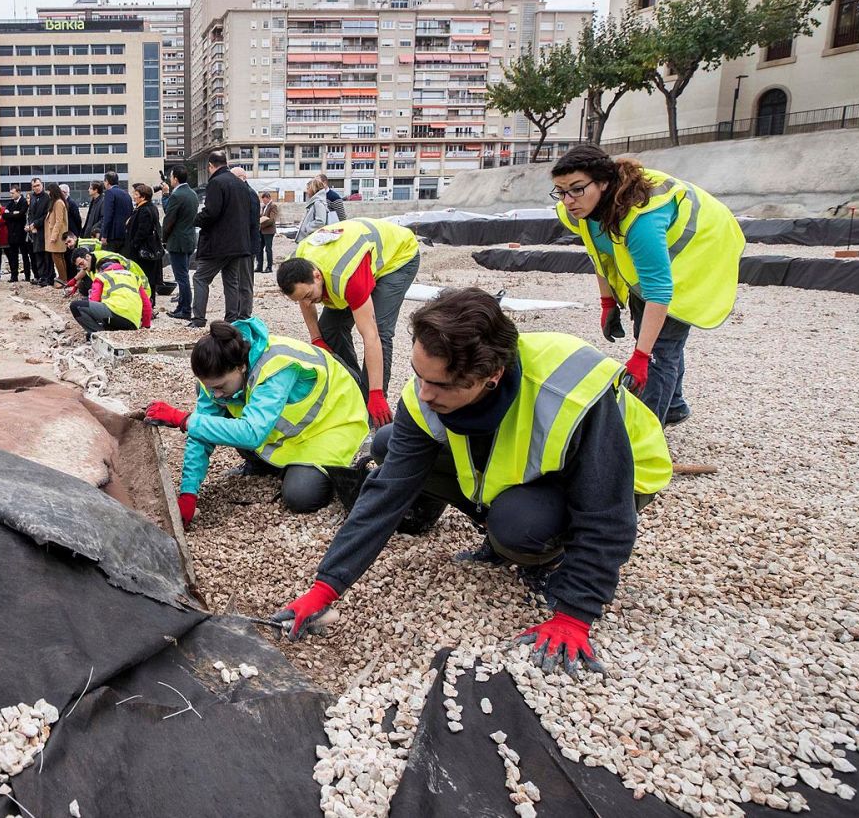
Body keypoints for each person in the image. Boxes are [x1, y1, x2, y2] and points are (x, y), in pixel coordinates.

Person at [270, 288, 673, 675]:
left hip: (624, 475)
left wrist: (575, 614)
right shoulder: (429, 393)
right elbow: (386, 492)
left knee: (518, 525)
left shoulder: (567, 392)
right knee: (389, 443)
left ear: (490, 375)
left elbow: (606, 509)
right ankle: (500, 521)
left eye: (439, 384)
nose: (423, 394)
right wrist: (326, 587)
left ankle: (548, 554)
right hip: (532, 464)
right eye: (419, 375)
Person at [551, 144, 745, 427]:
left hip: (703, 247)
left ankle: (646, 435)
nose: (568, 200)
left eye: (577, 189)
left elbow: (659, 290)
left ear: (603, 183)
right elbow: (600, 253)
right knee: (653, 333)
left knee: (660, 346)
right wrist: (607, 302)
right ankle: (674, 406)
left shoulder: (641, 220)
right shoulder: (580, 210)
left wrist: (642, 356)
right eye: (561, 191)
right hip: (658, 256)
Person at [144, 317, 369, 525]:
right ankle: (265, 464)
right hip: (288, 432)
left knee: (300, 496)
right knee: (215, 422)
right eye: (211, 388)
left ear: (241, 367)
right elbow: (201, 433)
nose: (216, 394)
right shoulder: (216, 377)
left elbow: (251, 433)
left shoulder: (277, 366)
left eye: (220, 386)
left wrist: (183, 419)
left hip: (331, 423)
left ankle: (311, 470)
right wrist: (188, 493)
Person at [276, 215, 422, 424]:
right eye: (301, 299)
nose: (308, 303)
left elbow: (371, 335)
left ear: (317, 276)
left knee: (380, 329)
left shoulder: (347, 277)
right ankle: (355, 389)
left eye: (308, 295)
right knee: (329, 329)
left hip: (398, 257)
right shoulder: (298, 265)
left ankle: (373, 408)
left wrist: (376, 393)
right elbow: (304, 299)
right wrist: (317, 338)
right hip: (354, 258)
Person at [188, 151, 253, 328]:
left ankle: (198, 319)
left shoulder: (216, 182)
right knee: (231, 281)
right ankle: (231, 318)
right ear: (226, 163)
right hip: (239, 243)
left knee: (200, 278)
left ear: (210, 165)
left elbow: (212, 212)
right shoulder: (240, 184)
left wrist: (196, 219)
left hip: (218, 244)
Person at [68, 251, 151, 338]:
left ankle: (98, 334)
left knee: (76, 306)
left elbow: (94, 301)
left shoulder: (102, 276)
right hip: (133, 322)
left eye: (81, 264)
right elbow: (147, 305)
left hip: (115, 315)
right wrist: (145, 327)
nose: (82, 267)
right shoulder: (133, 277)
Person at [162, 165, 198, 320]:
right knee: (184, 275)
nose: (170, 179)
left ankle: (185, 310)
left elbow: (169, 217)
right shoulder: (192, 193)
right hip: (189, 239)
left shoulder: (176, 195)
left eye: (171, 177)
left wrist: (165, 196)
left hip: (178, 241)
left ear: (175, 178)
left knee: (181, 277)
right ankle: (181, 307)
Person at [124, 182, 164, 307]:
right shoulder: (145, 208)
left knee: (146, 277)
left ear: (143, 197)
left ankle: (147, 304)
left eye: (136, 194)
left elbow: (142, 231)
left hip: (143, 251)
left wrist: (133, 245)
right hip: (146, 249)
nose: (134, 196)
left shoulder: (145, 210)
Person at [230, 166, 261, 308]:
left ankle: (244, 312)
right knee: (239, 280)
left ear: (242, 178)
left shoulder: (249, 194)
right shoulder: (243, 193)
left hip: (246, 245)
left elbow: (251, 222)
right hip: (242, 244)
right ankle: (239, 310)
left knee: (245, 282)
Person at [43, 183, 69, 289]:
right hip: (56, 234)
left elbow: (59, 221)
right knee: (58, 257)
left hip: (57, 235)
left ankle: (63, 278)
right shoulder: (56, 202)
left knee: (57, 257)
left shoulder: (58, 203)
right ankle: (63, 278)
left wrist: (53, 236)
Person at [98, 171, 132, 253]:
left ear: (107, 181)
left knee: (110, 259)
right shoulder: (126, 194)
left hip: (112, 235)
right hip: (124, 234)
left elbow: (108, 215)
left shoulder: (109, 193)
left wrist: (104, 235)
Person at [26, 178, 52, 286]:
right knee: (38, 255)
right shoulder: (32, 197)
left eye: (38, 185)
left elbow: (47, 214)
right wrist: (31, 224)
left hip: (44, 230)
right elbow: (30, 213)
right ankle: (41, 276)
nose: (36, 188)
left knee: (46, 256)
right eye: (34, 186)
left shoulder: (47, 197)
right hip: (35, 231)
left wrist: (35, 224)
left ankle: (48, 277)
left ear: (42, 185)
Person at [5, 184, 30, 283]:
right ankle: (14, 276)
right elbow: (5, 215)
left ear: (18, 192)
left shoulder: (24, 202)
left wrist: (12, 214)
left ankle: (27, 276)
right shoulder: (10, 203)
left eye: (13, 193)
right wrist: (14, 214)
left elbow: (21, 215)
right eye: (10, 193)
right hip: (12, 234)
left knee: (25, 255)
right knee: (13, 256)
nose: (11, 195)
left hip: (22, 234)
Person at [258, 190, 279, 273]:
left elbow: (272, 220)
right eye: (262, 200)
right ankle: (259, 266)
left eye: (264, 200)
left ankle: (269, 267)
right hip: (262, 231)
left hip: (269, 231)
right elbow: (263, 216)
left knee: (268, 249)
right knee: (259, 248)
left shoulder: (273, 206)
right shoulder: (264, 207)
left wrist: (261, 225)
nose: (263, 201)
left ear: (268, 198)